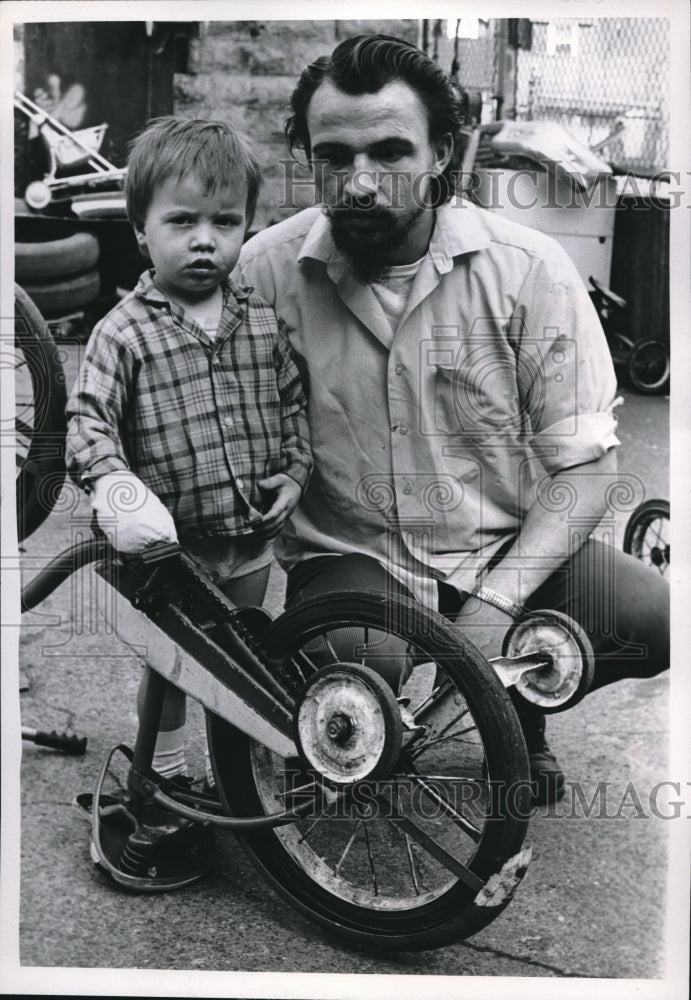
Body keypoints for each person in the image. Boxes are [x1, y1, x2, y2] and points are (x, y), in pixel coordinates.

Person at [238, 34, 669, 805]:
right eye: (333, 156)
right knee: (353, 656)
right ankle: (351, 707)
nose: (359, 183)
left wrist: (498, 602)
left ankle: (512, 704)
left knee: (646, 615)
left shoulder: (528, 270)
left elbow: (584, 464)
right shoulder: (263, 274)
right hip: (352, 555)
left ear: (442, 151)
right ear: (307, 156)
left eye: (390, 152)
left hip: (498, 547)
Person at [66, 117, 311, 799]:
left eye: (225, 222)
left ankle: (240, 774)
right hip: (167, 556)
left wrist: (294, 470)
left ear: (245, 226)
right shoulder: (123, 332)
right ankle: (166, 780)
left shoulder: (259, 318)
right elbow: (87, 422)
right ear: (141, 229)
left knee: (240, 662)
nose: (205, 240)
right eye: (181, 222)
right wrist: (116, 487)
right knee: (173, 667)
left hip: (248, 544)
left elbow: (293, 401)